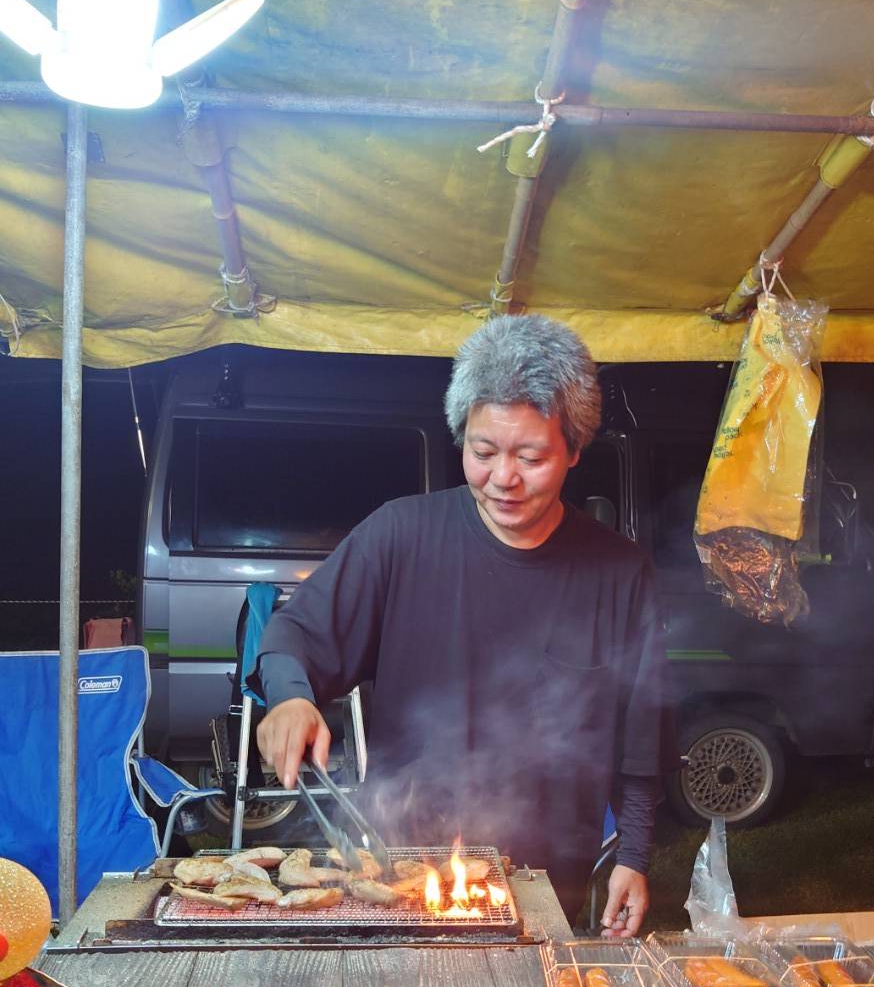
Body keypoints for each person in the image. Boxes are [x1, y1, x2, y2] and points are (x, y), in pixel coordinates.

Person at [254, 315, 673, 937]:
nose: (503, 478)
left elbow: (643, 737)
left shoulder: (619, 573)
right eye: (483, 452)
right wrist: (289, 699)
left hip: (545, 884)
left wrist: (633, 856)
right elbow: (295, 635)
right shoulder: (399, 536)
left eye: (530, 456)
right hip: (401, 873)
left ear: (574, 451)